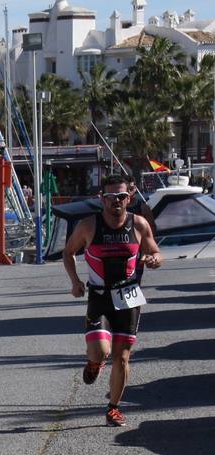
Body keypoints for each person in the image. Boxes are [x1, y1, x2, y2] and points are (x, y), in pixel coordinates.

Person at [62, 174, 161, 427]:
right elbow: (69, 252)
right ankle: (95, 362)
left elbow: (156, 253)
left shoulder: (139, 224)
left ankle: (113, 408)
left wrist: (153, 260)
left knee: (123, 356)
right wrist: (75, 281)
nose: (116, 201)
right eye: (110, 197)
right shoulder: (87, 226)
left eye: (121, 196)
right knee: (101, 351)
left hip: (128, 297)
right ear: (101, 199)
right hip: (99, 295)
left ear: (129, 197)